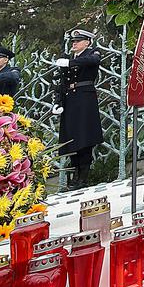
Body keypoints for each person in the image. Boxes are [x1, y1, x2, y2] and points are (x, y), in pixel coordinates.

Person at [54, 30, 103, 189]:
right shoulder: (69, 58)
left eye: (78, 41)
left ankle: (84, 177)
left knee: (85, 137)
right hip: (70, 100)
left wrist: (71, 63)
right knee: (72, 138)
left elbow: (93, 61)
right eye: (73, 41)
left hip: (84, 99)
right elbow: (61, 82)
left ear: (87, 42)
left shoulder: (92, 53)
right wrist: (58, 101)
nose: (74, 43)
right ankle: (75, 175)